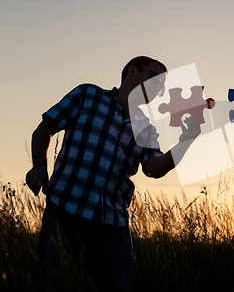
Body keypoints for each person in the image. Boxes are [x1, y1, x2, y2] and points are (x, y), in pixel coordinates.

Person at [25, 56, 201, 291]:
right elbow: (46, 128)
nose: (159, 88)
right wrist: (39, 166)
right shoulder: (87, 95)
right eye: (155, 79)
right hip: (64, 210)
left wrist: (186, 141)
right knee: (53, 280)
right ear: (132, 71)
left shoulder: (146, 128)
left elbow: (153, 168)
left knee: (118, 287)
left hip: (111, 222)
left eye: (162, 86)